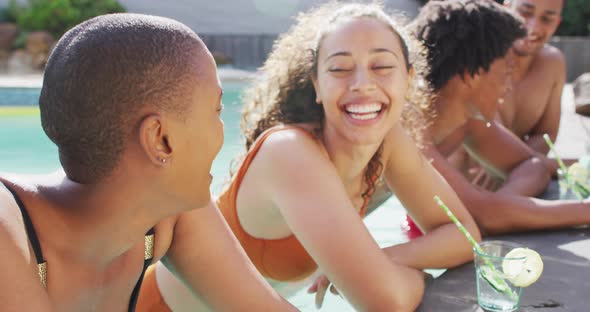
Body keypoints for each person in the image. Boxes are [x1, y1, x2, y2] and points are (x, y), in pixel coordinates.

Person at [139, 3, 480, 311]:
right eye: (340, 69)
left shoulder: (387, 141)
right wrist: (420, 279)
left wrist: (379, 260)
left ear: (408, 79)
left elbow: (464, 235)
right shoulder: (289, 153)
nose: (362, 83)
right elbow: (385, 300)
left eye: (381, 66)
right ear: (316, 83)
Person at [0, 13, 297, 312]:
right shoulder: (7, 232)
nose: (223, 129)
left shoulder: (165, 213)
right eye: (217, 109)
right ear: (160, 139)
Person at [395, 0, 590, 236]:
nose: (508, 87)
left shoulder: (466, 121)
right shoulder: (409, 129)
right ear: (471, 73)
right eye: (506, 72)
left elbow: (534, 165)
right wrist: (501, 209)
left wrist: (505, 204)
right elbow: (486, 217)